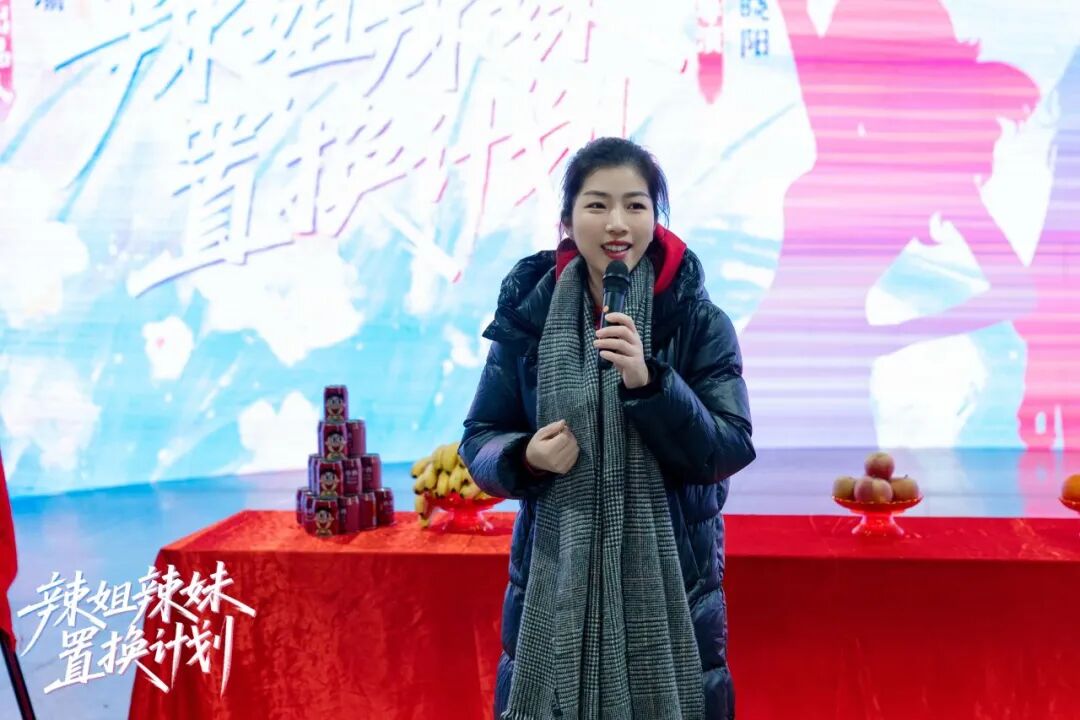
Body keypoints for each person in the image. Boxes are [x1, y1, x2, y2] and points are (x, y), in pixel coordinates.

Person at [460, 137, 755, 720]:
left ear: (655, 217)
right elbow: (481, 437)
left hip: (672, 585)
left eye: (635, 205)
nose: (617, 223)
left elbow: (727, 448)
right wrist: (524, 457)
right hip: (556, 581)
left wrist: (651, 384)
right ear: (567, 220)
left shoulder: (697, 320)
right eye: (597, 205)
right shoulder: (529, 315)